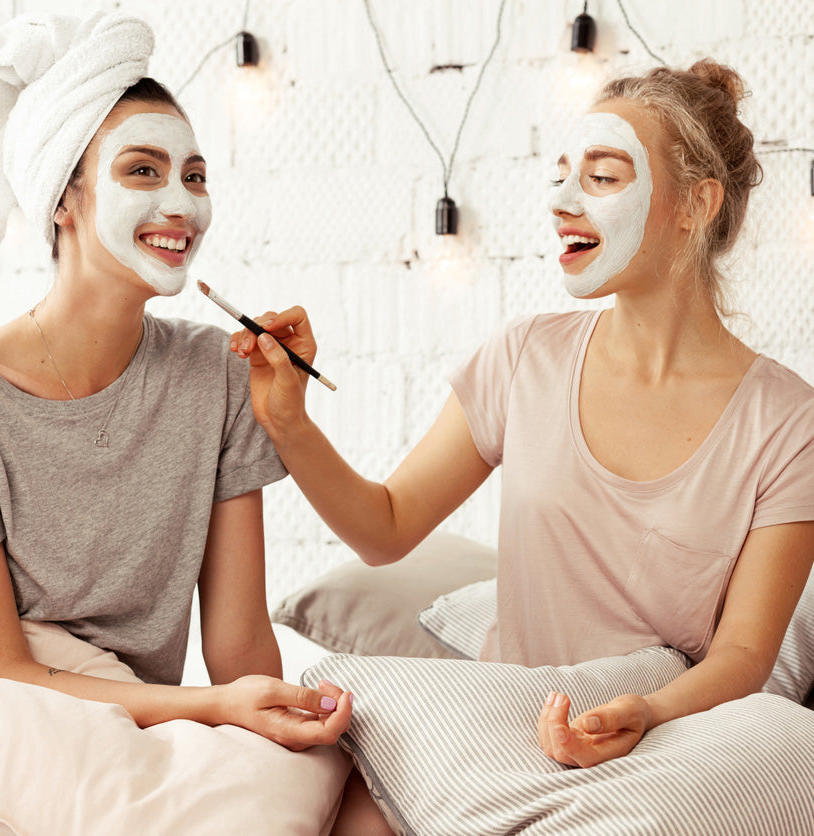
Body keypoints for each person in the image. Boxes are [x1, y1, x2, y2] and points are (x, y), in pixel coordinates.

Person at [235, 56, 814, 820]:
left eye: (602, 177)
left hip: (669, 739)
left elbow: (744, 655)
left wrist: (646, 712)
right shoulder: (524, 358)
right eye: (562, 175)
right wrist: (288, 421)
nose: (563, 201)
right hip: (508, 726)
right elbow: (384, 528)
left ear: (695, 205)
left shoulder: (788, 422)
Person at [0, 12, 352, 753]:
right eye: (143, 171)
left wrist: (278, 727)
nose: (181, 205)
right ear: (63, 199)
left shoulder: (218, 375)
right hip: (16, 729)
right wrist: (212, 709)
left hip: (156, 735)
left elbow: (239, 648)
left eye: (196, 176)